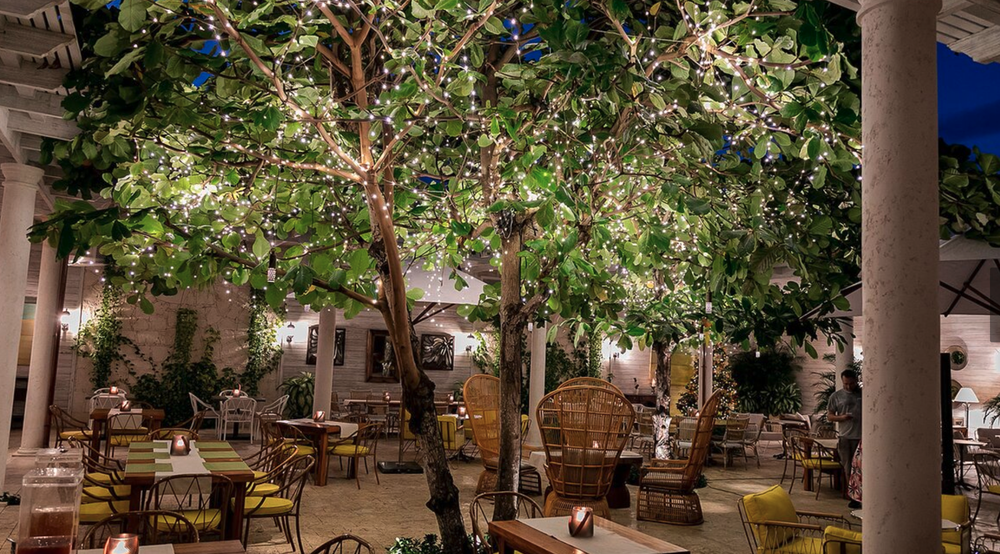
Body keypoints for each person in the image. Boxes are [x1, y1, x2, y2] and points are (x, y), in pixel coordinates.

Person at [827, 369, 862, 509]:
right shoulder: (836, 396)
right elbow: (830, 416)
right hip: (846, 437)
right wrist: (842, 417)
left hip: (862, 436)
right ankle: (853, 496)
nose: (848, 386)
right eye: (845, 384)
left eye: (851, 383)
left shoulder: (863, 394)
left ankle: (864, 494)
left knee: (862, 467)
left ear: (856, 381)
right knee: (848, 466)